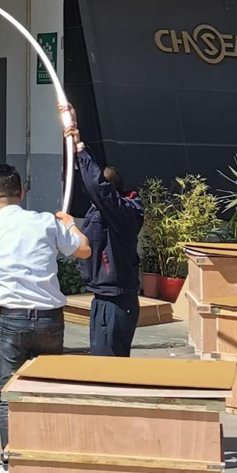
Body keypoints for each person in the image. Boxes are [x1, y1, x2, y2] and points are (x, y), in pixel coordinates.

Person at [0, 164, 91, 473]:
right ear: (22, 193)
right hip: (50, 319)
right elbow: (83, 249)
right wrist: (71, 224)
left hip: (12, 320)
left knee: (7, 395)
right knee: (46, 389)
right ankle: (46, 457)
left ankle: (11, 465)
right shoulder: (46, 223)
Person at [62, 106, 144, 357]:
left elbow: (98, 188)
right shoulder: (106, 209)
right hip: (104, 298)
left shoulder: (124, 212)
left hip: (116, 301)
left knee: (108, 364)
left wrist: (79, 149)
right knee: (100, 360)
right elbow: (96, 186)